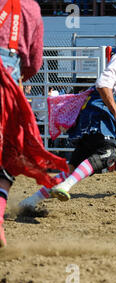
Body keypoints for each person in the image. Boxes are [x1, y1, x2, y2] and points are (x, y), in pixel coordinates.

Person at [19, 28, 116, 209]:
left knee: (73, 167)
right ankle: (65, 186)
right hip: (101, 111)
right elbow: (103, 85)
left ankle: (30, 201)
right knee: (108, 153)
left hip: (103, 113)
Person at [1, 0, 69, 247]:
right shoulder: (31, 8)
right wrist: (18, 79)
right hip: (8, 78)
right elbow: (33, 61)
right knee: (11, 149)